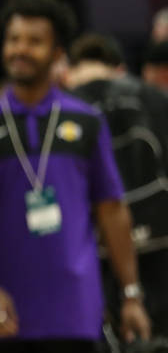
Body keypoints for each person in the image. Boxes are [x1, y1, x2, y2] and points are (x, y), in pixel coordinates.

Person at [0, 0, 151, 352]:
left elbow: (112, 210)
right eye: (14, 39)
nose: (20, 49)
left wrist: (131, 295)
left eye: (34, 41)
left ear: (58, 53)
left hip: (75, 312)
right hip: (2, 313)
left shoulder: (86, 122)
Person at [65, 32, 168, 340]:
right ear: (120, 68)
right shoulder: (154, 98)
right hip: (161, 243)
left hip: (95, 250)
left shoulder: (64, 108)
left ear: (67, 70)